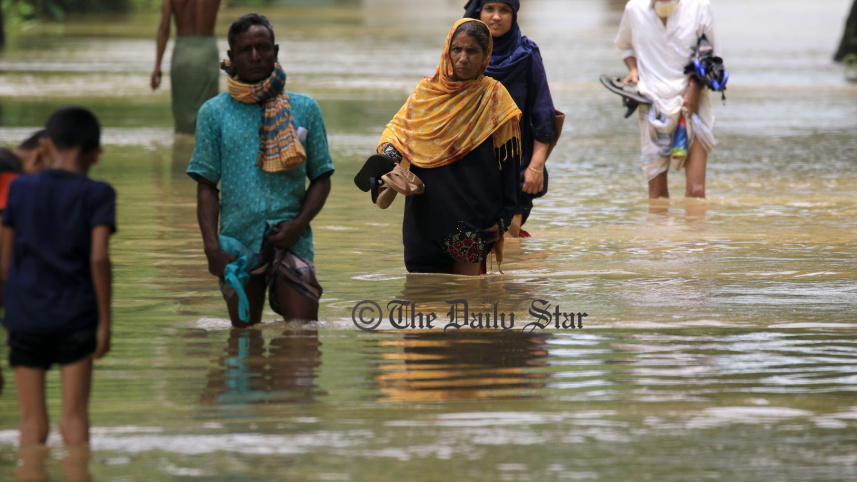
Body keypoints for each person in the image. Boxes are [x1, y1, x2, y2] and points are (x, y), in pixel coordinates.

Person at [187, 13, 334, 326]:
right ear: (232, 57)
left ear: (275, 51)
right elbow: (206, 185)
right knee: (243, 337)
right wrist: (211, 248)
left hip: (292, 239)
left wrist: (298, 224)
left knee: (302, 338)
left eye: (262, 47)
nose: (255, 55)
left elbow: (321, 177)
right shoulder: (214, 113)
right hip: (237, 244)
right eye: (245, 50)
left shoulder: (305, 108)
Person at [0, 106, 116, 447]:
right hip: (76, 316)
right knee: (75, 418)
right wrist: (105, 324)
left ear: (45, 146)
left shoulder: (19, 190)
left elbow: (3, 264)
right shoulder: (98, 194)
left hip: (25, 317)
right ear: (96, 154)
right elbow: (98, 257)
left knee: (32, 421)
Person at [376, 18, 521, 275]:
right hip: (423, 218)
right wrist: (391, 158)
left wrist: (504, 219)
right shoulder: (425, 93)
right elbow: (396, 134)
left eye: (472, 51)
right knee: (421, 299)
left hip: (471, 218)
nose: (463, 58)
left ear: (485, 55)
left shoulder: (495, 97)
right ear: (447, 51)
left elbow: (509, 164)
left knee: (466, 301)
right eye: (457, 49)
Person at [464, 0, 557, 237]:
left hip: (515, 166)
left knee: (507, 245)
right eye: (490, 9)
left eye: (504, 10)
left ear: (514, 15)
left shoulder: (526, 54)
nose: (496, 17)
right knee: (469, 246)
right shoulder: (463, 54)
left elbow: (543, 111)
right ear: (478, 12)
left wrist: (536, 165)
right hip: (468, 168)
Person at [615, 0, 719, 199]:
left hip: (694, 104)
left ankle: (696, 230)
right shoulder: (634, 9)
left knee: (696, 192)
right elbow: (625, 47)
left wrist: (695, 88)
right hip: (651, 104)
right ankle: (660, 230)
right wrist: (634, 70)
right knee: (657, 195)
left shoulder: (700, 7)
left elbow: (713, 58)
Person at [151, 0, 221, 134]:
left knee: (182, 121)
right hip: (207, 52)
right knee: (208, 118)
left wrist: (157, 66)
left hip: (183, 54)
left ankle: (181, 152)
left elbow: (164, 28)